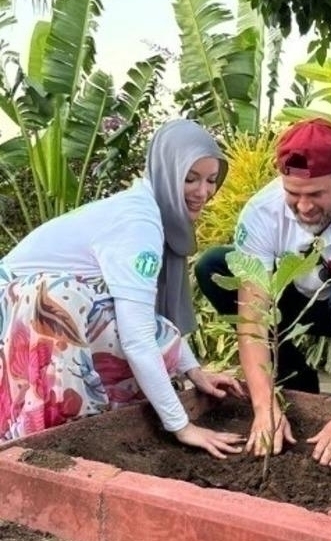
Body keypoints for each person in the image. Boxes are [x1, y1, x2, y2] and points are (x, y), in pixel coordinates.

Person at [0, 119, 245, 458]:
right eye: (190, 178)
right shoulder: (139, 224)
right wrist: (182, 425)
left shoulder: (150, 210)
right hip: (18, 312)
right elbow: (139, 337)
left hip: (28, 307)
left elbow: (154, 314)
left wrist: (194, 371)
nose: (203, 192)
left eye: (211, 180)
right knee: (81, 306)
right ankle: (58, 440)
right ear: (165, 171)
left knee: (126, 316)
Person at [195, 118, 331, 469]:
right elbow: (253, 319)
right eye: (293, 194)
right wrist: (263, 404)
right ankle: (297, 379)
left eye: (316, 194)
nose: (303, 207)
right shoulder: (261, 212)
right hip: (295, 305)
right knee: (214, 264)